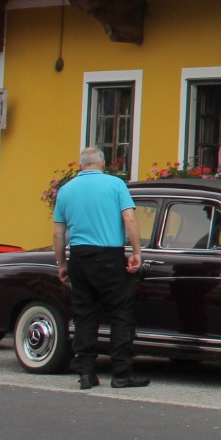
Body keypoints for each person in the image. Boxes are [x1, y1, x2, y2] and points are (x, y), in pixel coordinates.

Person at [52, 146, 147, 389]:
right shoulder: (116, 185)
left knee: (84, 316)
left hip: (79, 257)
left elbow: (58, 232)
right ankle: (121, 374)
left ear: (81, 164)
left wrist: (62, 263)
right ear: (103, 164)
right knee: (120, 314)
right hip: (109, 256)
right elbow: (129, 219)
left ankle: (85, 373)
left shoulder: (65, 190)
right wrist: (136, 252)